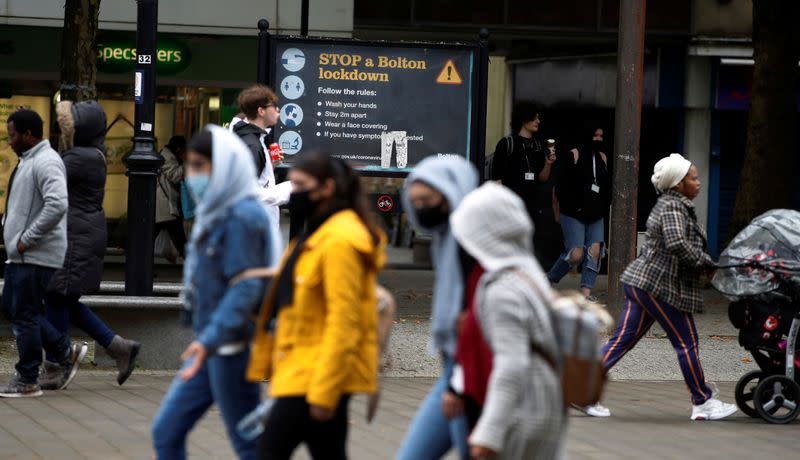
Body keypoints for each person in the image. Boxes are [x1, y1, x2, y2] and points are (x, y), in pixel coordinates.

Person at [151, 126, 279, 460]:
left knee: (248, 444)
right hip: (213, 348)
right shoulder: (216, 212)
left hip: (233, 350)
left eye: (199, 166)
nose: (191, 175)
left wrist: (208, 342)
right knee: (166, 432)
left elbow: (247, 286)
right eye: (190, 166)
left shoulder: (243, 215)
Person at [580, 154, 738, 421]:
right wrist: (707, 264)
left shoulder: (672, 205)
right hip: (660, 287)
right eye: (693, 178)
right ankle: (703, 402)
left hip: (642, 283)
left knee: (621, 341)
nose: (698, 183)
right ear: (677, 184)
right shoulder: (673, 208)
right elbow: (677, 243)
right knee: (687, 342)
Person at [248, 152, 385, 460]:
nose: (292, 192)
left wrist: (324, 392)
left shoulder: (339, 240)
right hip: (306, 368)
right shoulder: (319, 233)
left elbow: (344, 321)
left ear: (327, 187)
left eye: (300, 185)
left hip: (314, 376)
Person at [451, 182, 566, 460]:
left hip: (524, 408)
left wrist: (488, 433)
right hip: (548, 401)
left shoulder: (501, 289)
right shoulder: (529, 272)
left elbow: (511, 365)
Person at [40, 100, 140, 390]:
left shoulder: (79, 158)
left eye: (66, 127)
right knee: (64, 299)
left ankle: (57, 365)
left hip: (75, 237)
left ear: (79, 129)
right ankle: (119, 347)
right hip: (79, 234)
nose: (62, 132)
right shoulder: (91, 153)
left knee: (56, 295)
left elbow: (45, 179)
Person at [396, 156, 478, 460]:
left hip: (473, 372)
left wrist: (459, 386)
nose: (421, 208)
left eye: (428, 199)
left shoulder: (470, 238)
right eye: (415, 201)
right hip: (453, 365)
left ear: (452, 191)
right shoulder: (445, 235)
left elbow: (476, 318)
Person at [0, 109, 87, 398]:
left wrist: (26, 240)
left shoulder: (47, 161)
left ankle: (27, 379)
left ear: (28, 134)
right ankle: (64, 351)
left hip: (33, 254)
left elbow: (57, 204)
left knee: (23, 315)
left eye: (13, 135)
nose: (9, 141)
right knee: (16, 310)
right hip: (21, 254)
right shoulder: (30, 160)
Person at [548, 127, 610, 301]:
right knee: (575, 255)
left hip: (596, 214)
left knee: (595, 252)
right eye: (595, 135)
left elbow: (605, 188)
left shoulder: (603, 158)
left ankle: (585, 294)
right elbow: (558, 186)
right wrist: (557, 210)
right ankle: (549, 280)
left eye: (601, 136)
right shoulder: (573, 155)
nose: (598, 139)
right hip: (573, 213)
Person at [490, 102, 557, 258]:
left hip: (532, 206)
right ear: (523, 118)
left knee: (528, 248)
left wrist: (548, 164)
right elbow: (497, 179)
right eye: (534, 117)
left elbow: (542, 178)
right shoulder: (507, 144)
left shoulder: (538, 145)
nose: (538, 121)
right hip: (511, 206)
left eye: (538, 118)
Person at [233, 85, 291, 240]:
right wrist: (290, 189)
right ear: (261, 111)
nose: (278, 111)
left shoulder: (251, 139)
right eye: (274, 106)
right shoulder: (252, 145)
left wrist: (270, 166)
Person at [155, 135, 187, 261]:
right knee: (178, 235)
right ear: (178, 149)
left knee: (175, 234)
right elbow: (175, 176)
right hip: (165, 204)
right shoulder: (167, 157)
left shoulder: (167, 155)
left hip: (165, 203)